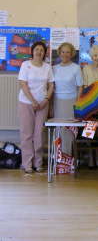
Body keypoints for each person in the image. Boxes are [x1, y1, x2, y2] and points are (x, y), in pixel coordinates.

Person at [18, 41, 54, 173]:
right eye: (36, 49)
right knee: (26, 134)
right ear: (32, 51)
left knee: (39, 134)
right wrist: (32, 101)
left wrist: (46, 99)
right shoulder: (25, 65)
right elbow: (23, 84)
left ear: (44, 53)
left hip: (43, 104)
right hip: (26, 103)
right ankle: (27, 164)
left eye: (41, 50)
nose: (39, 52)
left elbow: (51, 86)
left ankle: (38, 163)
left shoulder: (47, 67)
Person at [52, 42, 83, 155]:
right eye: (63, 52)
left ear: (72, 54)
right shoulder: (54, 68)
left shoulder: (76, 68)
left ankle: (68, 158)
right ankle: (58, 158)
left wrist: (77, 105)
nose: (65, 54)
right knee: (58, 130)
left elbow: (80, 87)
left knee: (69, 131)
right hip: (57, 102)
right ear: (59, 53)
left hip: (71, 103)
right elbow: (51, 87)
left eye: (68, 52)